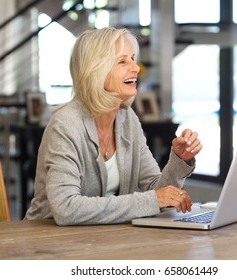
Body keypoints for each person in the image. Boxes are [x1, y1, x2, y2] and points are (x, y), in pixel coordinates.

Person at [24, 27, 202, 225]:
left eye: (133, 59)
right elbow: (66, 208)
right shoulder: (66, 124)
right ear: (96, 70)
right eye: (123, 61)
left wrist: (179, 161)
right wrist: (152, 199)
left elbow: (155, 191)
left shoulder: (127, 118)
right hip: (48, 241)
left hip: (103, 239)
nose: (135, 68)